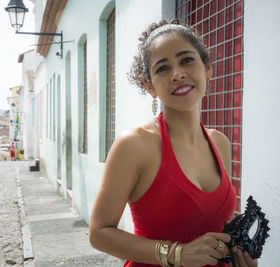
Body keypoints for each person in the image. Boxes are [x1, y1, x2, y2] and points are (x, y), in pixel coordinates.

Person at [89, 19, 257, 267]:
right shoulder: (134, 145)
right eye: (162, 68)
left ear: (207, 68)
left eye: (186, 60)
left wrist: (238, 249)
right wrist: (176, 253)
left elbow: (211, 220)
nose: (177, 74)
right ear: (149, 86)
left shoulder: (219, 142)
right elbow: (99, 233)